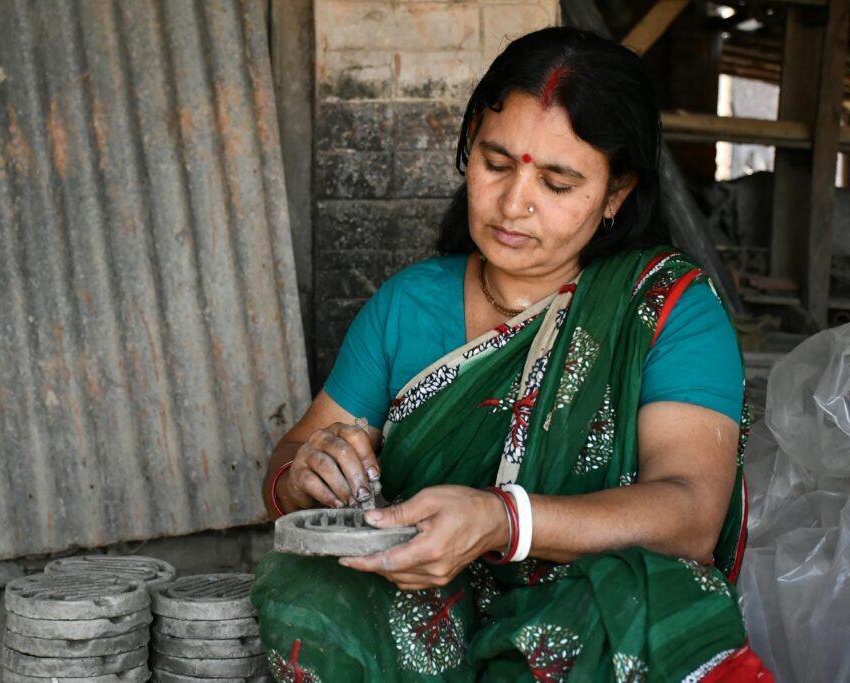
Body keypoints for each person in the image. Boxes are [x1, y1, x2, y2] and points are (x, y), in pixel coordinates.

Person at [252, 27, 772, 682]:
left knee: (646, 602)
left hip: (582, 615)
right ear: (468, 145)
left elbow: (692, 513)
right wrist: (306, 479)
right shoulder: (409, 304)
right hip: (423, 611)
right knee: (312, 591)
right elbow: (288, 462)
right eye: (496, 164)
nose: (513, 204)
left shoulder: (666, 310)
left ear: (616, 192)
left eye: (557, 183)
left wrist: (503, 519)